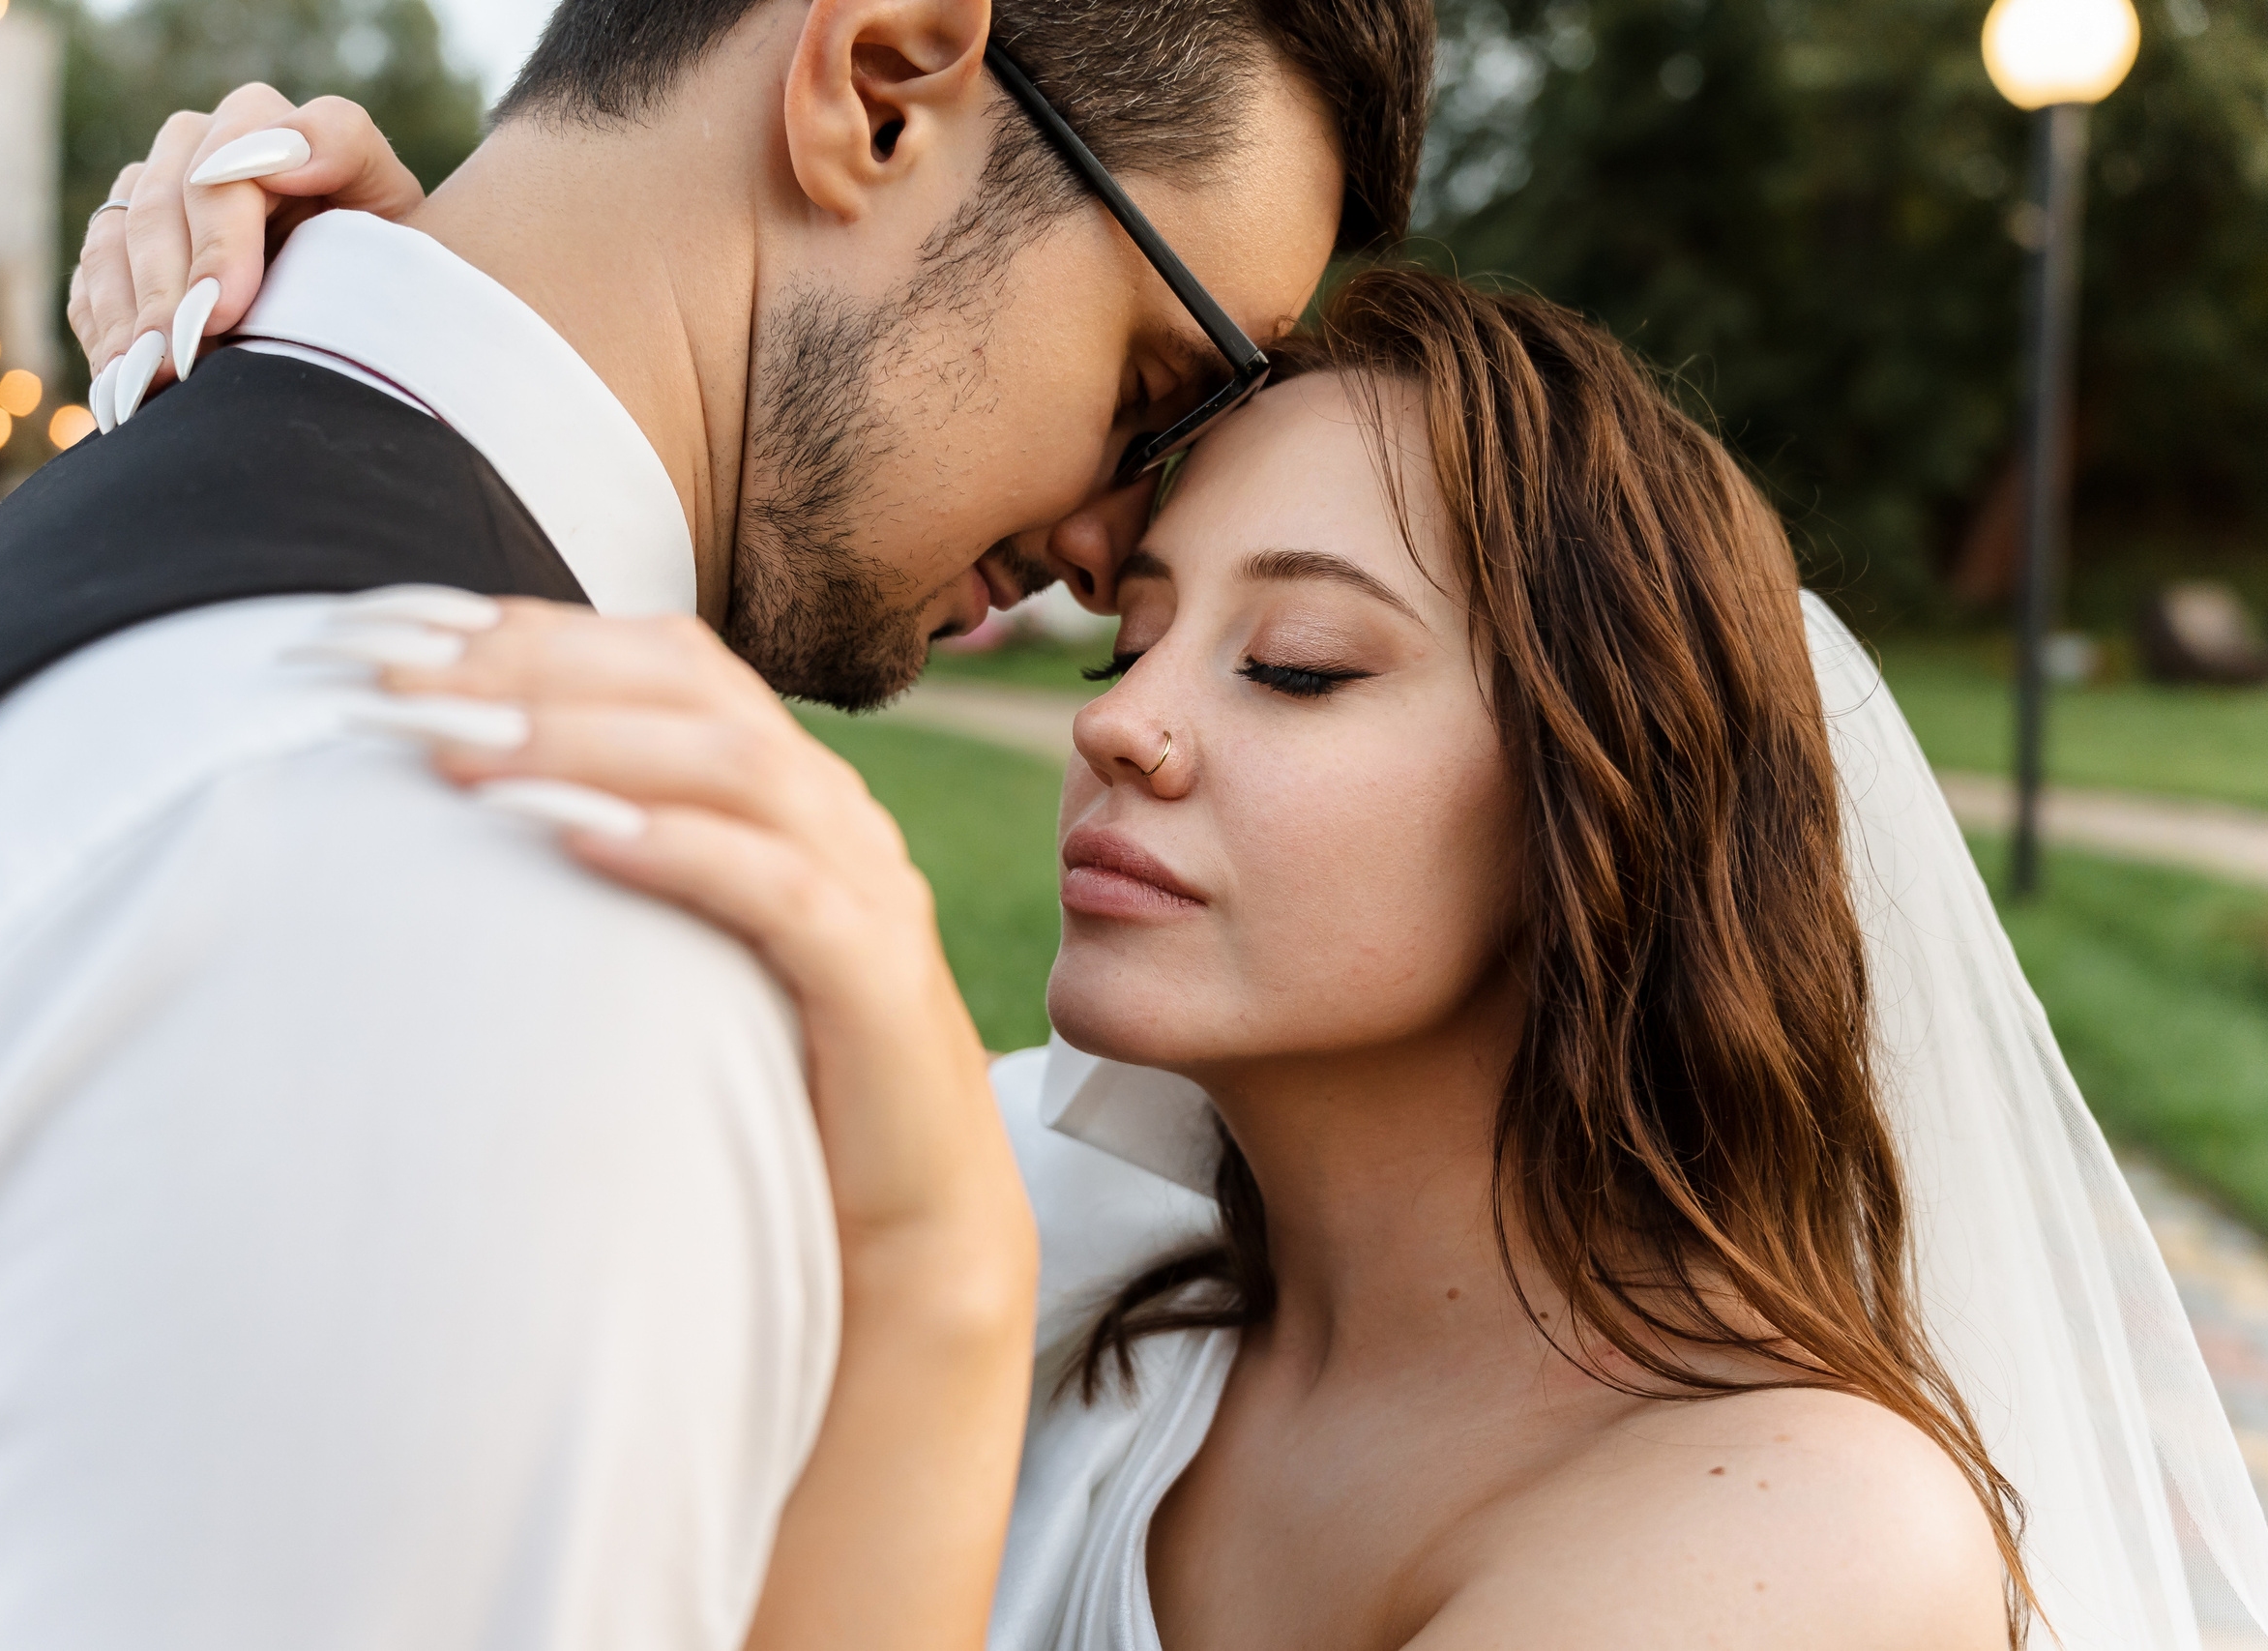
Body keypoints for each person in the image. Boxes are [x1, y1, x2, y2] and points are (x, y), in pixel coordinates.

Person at [142, 149, 2268, 1638]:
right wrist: (437, 332)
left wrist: (922, 1248)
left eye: (1298, 663)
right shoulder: (1081, 1256)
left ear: (1600, 804)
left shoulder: (1788, 1534)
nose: (1124, 726)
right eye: (1125, 638)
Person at [0, 4, 1433, 1647]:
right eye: (1157, 385)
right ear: (878, 90)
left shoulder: (205, 527)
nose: (1109, 543)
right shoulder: (500, 920)